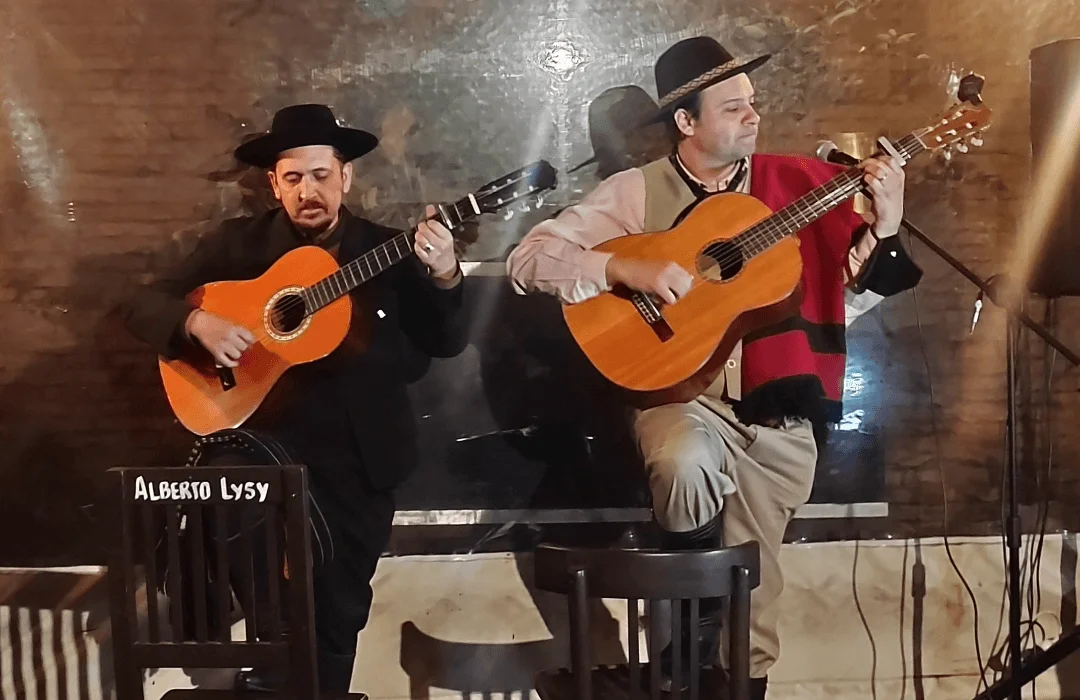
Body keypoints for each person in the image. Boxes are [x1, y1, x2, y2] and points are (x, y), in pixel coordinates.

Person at [506, 36, 921, 699]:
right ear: (686, 121)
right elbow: (529, 260)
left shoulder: (797, 186)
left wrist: (887, 225)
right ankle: (690, 637)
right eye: (733, 108)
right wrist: (621, 267)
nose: (754, 116)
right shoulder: (635, 191)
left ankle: (706, 661)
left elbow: (846, 302)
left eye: (753, 103)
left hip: (775, 407)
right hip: (679, 395)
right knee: (684, 462)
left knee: (754, 617)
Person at [121, 103, 469, 693]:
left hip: (357, 457)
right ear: (273, 184)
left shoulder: (390, 250)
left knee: (337, 607)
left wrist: (444, 275)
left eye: (322, 175)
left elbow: (447, 341)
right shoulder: (239, 246)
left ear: (346, 177)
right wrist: (196, 324)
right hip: (259, 441)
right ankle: (272, 670)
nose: (309, 192)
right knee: (259, 566)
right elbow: (142, 303)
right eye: (294, 178)